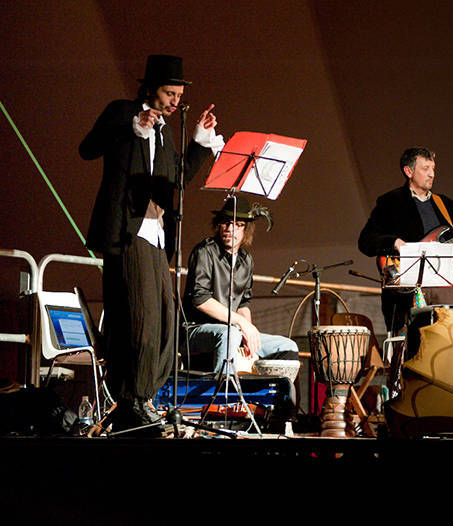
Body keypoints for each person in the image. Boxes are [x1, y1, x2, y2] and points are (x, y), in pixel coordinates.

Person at [80, 55, 222, 432]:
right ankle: (132, 400)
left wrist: (199, 142)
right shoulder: (122, 112)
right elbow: (88, 148)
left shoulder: (164, 132)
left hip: (156, 234)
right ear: (150, 88)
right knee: (140, 320)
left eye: (179, 96)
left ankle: (145, 398)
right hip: (128, 232)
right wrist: (132, 128)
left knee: (166, 322)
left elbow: (177, 180)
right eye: (169, 93)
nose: (176, 101)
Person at [183, 198, 298, 373]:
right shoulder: (205, 251)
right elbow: (200, 299)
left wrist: (248, 334)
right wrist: (241, 324)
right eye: (226, 223)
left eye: (238, 224)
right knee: (230, 334)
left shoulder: (246, 260)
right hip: (195, 330)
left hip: (233, 331)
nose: (230, 229)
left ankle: (271, 392)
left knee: (287, 346)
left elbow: (243, 303)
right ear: (218, 225)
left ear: (246, 230)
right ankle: (224, 390)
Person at [358, 147, 453, 333]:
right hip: (405, 291)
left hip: (443, 289)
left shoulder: (447, 205)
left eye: (433, 168)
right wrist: (394, 242)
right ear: (408, 171)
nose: (431, 174)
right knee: (411, 342)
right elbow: (366, 241)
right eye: (425, 169)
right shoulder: (390, 202)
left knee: (450, 337)